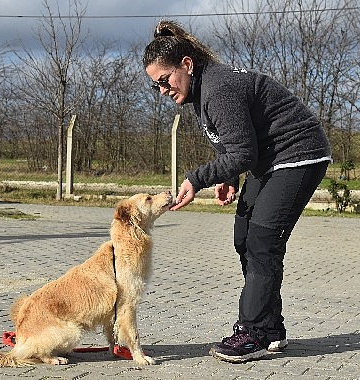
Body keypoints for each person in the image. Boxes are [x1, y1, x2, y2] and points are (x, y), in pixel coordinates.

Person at [142, 20, 332, 363]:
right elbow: (237, 144)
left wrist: (198, 178)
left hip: (298, 154)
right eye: (155, 86)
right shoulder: (201, 93)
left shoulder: (218, 88)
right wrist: (228, 174)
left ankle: (254, 332)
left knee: (262, 239)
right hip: (269, 159)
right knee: (244, 236)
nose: (162, 91)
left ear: (186, 65)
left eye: (164, 80)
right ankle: (271, 328)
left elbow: (244, 152)